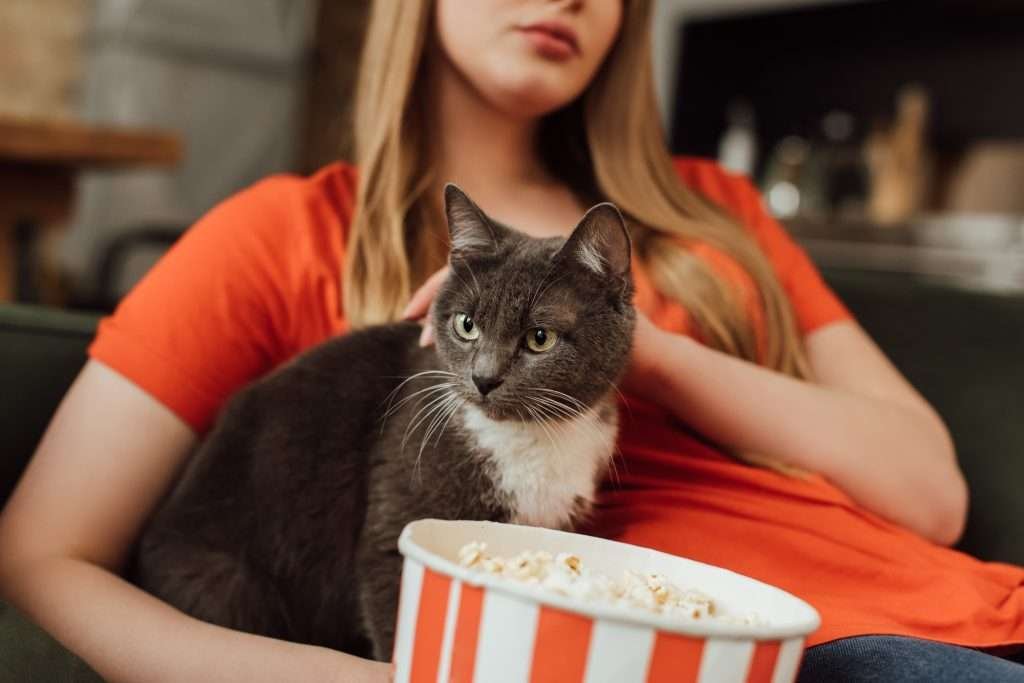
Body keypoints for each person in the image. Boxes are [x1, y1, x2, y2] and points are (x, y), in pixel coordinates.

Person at [1, 1, 1023, 681]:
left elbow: (930, 494)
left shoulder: (714, 212)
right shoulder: (286, 231)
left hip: (976, 606)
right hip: (775, 651)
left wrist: (645, 348)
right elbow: (46, 552)